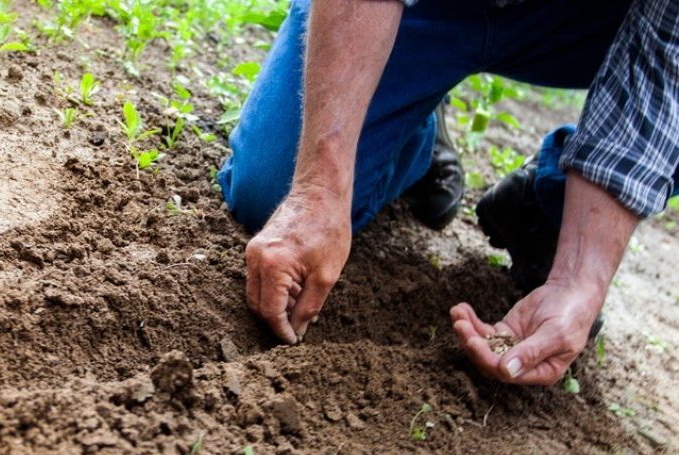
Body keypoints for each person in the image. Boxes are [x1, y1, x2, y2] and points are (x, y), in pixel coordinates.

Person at [216, 0, 678, 385]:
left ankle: (551, 204)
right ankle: (413, 128)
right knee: (271, 191)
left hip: (589, 20)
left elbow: (664, 70)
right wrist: (318, 188)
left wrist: (579, 280)